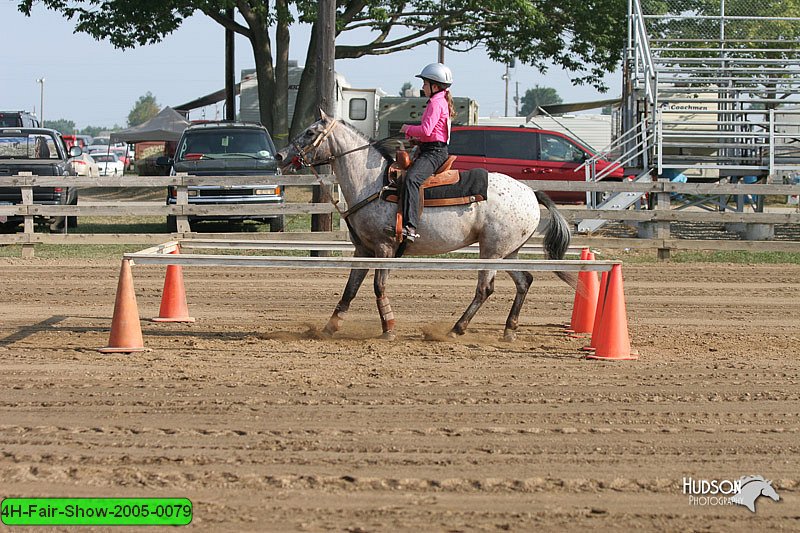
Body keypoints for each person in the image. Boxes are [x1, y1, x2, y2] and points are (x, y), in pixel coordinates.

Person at [398, 62, 456, 242]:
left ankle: (410, 227)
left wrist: (407, 128)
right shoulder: (439, 101)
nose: (422, 87)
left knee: (411, 179)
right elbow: (431, 133)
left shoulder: (435, 103)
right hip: (431, 148)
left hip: (434, 153)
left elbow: (426, 130)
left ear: (435, 86)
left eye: (424, 83)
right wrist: (417, 140)